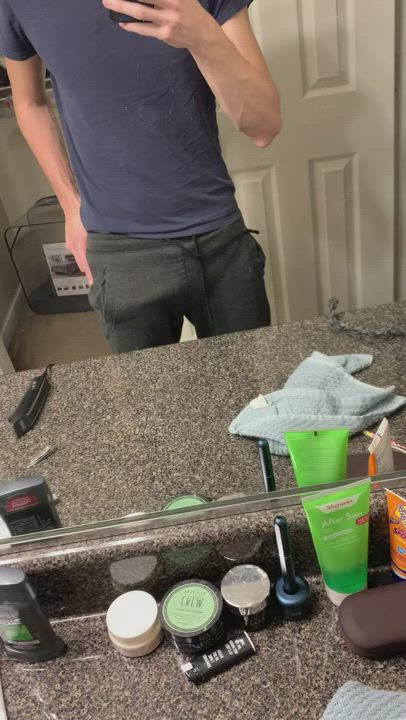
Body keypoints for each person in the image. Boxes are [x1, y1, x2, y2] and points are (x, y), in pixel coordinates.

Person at [0, 0, 281, 353]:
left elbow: (264, 125)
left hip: (219, 239)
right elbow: (29, 101)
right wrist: (70, 206)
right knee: (143, 388)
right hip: (116, 246)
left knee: (245, 381)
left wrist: (201, 33)